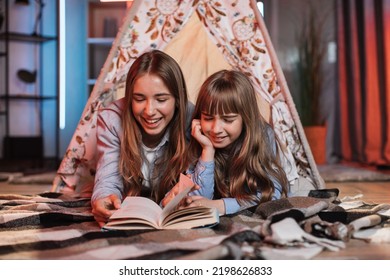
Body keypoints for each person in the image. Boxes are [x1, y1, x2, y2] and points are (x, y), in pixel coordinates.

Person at [91, 50, 194, 226]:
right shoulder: (111, 119)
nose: (149, 111)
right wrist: (104, 199)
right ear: (129, 97)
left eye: (161, 99)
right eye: (139, 99)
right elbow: (107, 179)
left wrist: (181, 195)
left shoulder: (191, 117)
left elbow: (195, 174)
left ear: (178, 98)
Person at [184, 69, 289, 215]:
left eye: (228, 120)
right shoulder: (199, 139)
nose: (216, 129)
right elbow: (197, 201)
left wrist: (220, 206)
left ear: (245, 118)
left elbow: (271, 195)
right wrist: (207, 151)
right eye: (208, 118)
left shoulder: (263, 136)